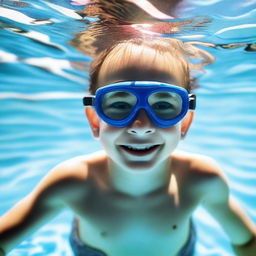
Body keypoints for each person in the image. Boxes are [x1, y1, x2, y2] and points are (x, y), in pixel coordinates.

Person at [0, 38, 255, 256]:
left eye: (164, 106)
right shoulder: (72, 183)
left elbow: (247, 241)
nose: (141, 126)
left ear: (185, 121)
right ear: (95, 120)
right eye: (120, 105)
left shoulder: (201, 180)